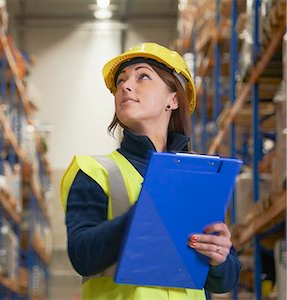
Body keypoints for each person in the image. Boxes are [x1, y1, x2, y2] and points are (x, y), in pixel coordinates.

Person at [60, 42, 241, 299]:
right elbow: (82, 256)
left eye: (142, 76)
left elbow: (224, 281)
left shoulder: (197, 175)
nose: (125, 86)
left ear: (173, 99)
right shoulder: (93, 171)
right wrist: (143, 215)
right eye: (121, 80)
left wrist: (219, 258)